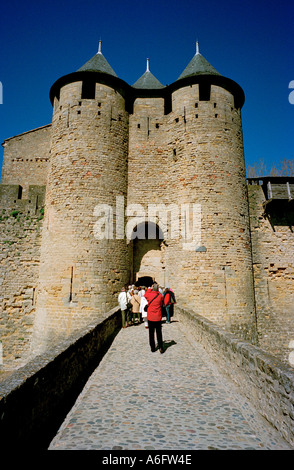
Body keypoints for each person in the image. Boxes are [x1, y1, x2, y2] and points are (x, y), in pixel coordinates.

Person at [145, 283, 164, 353]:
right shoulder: (160, 296)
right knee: (159, 333)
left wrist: (150, 288)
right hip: (158, 317)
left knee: (151, 333)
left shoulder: (149, 295)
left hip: (151, 317)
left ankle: (152, 347)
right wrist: (156, 290)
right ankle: (161, 347)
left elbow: (145, 294)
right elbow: (161, 297)